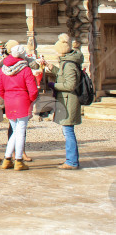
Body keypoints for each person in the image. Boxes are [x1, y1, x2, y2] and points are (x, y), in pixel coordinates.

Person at [0, 42, 38, 171]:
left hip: (9, 101)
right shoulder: (25, 69)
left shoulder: (3, 70)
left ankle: (7, 158)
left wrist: (7, 97)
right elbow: (33, 89)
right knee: (20, 131)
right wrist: (30, 100)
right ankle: (18, 160)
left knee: (15, 131)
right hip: (22, 100)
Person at [49, 34, 82, 170]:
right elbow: (64, 77)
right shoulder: (67, 62)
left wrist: (53, 85)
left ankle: (72, 161)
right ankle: (71, 159)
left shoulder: (69, 65)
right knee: (67, 131)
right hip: (67, 100)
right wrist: (52, 69)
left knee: (68, 131)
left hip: (69, 101)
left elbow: (70, 85)